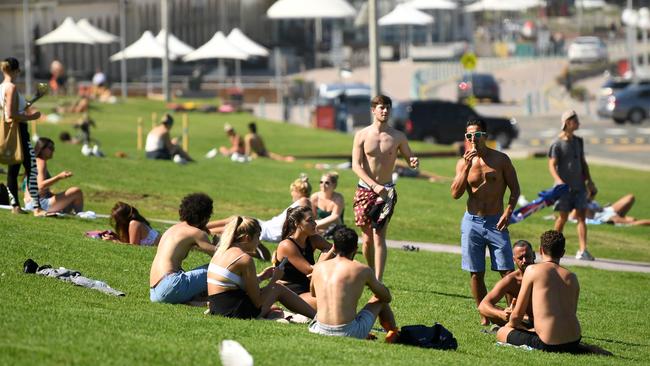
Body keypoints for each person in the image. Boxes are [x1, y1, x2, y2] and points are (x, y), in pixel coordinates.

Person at [450, 119, 520, 326]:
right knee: (475, 272)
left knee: (507, 271)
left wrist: (508, 212)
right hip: (472, 222)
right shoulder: (463, 162)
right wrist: (465, 168)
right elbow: (455, 193)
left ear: (486, 136)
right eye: (469, 136)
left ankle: (511, 314)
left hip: (496, 221)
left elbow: (515, 189)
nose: (474, 140)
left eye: (478, 135)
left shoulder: (501, 160)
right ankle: (485, 315)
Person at [352, 94, 419, 281]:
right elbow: (356, 165)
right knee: (366, 240)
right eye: (381, 107)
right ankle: (370, 271)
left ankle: (377, 280)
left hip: (386, 192)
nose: (385, 110)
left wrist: (413, 161)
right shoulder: (362, 135)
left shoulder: (398, 136)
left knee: (379, 236)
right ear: (373, 110)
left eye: (388, 107)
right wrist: (373, 185)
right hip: (365, 190)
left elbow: (409, 157)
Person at [496, 231, 589, 353]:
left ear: (541, 250)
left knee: (501, 332)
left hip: (549, 343)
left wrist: (509, 326)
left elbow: (517, 316)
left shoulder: (532, 270)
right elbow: (571, 313)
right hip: (574, 339)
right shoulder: (572, 277)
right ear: (562, 253)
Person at [207, 216, 316, 319]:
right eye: (258, 237)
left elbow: (233, 284)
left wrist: (262, 277)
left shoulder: (222, 251)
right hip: (234, 312)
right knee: (278, 288)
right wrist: (274, 279)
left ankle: (314, 316)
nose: (259, 242)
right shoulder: (244, 259)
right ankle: (317, 318)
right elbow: (258, 302)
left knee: (273, 305)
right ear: (247, 238)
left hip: (217, 308)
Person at [309, 227, 399, 342]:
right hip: (348, 331)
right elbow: (386, 297)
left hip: (319, 329)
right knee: (379, 299)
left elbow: (313, 293)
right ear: (356, 249)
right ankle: (393, 333)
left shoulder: (319, 267)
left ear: (334, 247)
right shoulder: (361, 269)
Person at [149, 193, 216, 304]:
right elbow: (221, 258)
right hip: (170, 286)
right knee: (218, 268)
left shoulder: (172, 229)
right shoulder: (196, 233)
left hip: (155, 293)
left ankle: (195, 299)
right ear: (205, 217)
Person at [548, 110, 597, 261]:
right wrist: (559, 181)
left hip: (579, 187)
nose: (578, 124)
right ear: (568, 122)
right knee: (562, 218)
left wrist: (589, 181)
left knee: (581, 217)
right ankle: (551, 249)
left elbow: (583, 163)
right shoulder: (557, 143)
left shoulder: (578, 141)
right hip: (564, 189)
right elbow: (551, 165)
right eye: (576, 121)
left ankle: (583, 250)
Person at [207, 174, 312, 243]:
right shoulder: (303, 203)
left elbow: (309, 219)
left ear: (297, 191)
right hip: (266, 226)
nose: (291, 194)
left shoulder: (303, 201)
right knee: (235, 219)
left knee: (234, 226)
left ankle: (204, 230)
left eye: (292, 191)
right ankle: (203, 228)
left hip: (266, 231)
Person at [1, 57, 44, 216]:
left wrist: (32, 101)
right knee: (32, 168)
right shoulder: (11, 87)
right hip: (19, 132)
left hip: (11, 132)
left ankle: (15, 206)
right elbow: (11, 114)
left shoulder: (1, 87)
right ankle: (37, 207)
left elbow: (12, 110)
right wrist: (32, 118)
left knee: (13, 169)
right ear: (16, 71)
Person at [274, 206, 334, 309]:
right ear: (297, 223)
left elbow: (339, 252)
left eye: (314, 219)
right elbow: (309, 270)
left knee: (340, 300)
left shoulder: (313, 239)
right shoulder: (286, 245)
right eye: (309, 220)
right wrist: (333, 250)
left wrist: (332, 251)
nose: (315, 223)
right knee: (328, 305)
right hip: (292, 291)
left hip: (309, 286)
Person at [478, 240, 535, 327]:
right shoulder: (511, 280)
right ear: (514, 259)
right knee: (493, 311)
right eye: (520, 258)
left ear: (534, 255)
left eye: (527, 256)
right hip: (523, 320)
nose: (524, 261)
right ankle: (522, 329)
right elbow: (483, 306)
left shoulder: (544, 274)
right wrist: (501, 314)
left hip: (546, 320)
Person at [24, 138, 84, 214]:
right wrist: (59, 177)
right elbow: (40, 185)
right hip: (39, 204)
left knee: (70, 201)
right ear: (42, 149)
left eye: (53, 148)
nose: (53, 151)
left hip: (31, 204)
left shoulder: (34, 161)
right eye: (51, 148)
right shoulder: (41, 162)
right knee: (76, 192)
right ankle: (80, 214)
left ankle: (75, 213)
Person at [571, 193, 650, 226]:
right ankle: (622, 219)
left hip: (606, 210)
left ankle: (621, 216)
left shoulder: (590, 200)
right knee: (632, 221)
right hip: (605, 218)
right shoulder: (577, 205)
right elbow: (574, 215)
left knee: (630, 197)